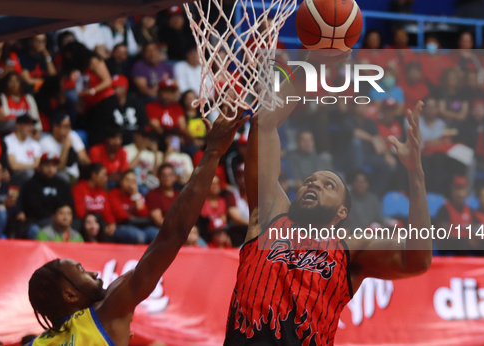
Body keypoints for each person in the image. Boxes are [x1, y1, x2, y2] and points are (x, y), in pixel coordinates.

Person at [223, 51, 431, 345]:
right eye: (309, 180)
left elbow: (417, 260)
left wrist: (416, 176)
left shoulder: (353, 247)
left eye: (328, 184)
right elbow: (264, 125)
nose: (314, 184)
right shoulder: (270, 216)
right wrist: (312, 64)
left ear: (342, 213)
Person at [26, 110, 247, 345]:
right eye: (81, 272)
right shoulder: (106, 312)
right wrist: (213, 152)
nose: (94, 273)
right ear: (69, 295)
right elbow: (171, 235)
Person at [17, 153, 75, 240]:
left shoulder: (62, 184)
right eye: (47, 165)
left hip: (62, 220)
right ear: (40, 166)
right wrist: (55, 218)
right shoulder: (30, 185)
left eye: (54, 165)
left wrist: (61, 216)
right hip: (39, 221)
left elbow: (69, 204)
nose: (51, 169)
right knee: (35, 230)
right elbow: (33, 209)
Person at [40, 113, 90, 183]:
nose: (68, 129)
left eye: (69, 126)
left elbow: (85, 160)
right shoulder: (45, 143)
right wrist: (66, 147)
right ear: (55, 128)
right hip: (57, 175)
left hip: (75, 174)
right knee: (64, 177)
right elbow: (59, 167)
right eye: (65, 126)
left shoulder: (72, 135)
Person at [4, 114, 42, 186]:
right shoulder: (8, 140)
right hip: (14, 176)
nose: (30, 128)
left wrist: (30, 165)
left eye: (31, 125)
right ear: (18, 126)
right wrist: (33, 165)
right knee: (29, 173)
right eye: (27, 125)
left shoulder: (34, 143)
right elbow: (13, 166)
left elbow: (38, 165)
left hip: (33, 176)